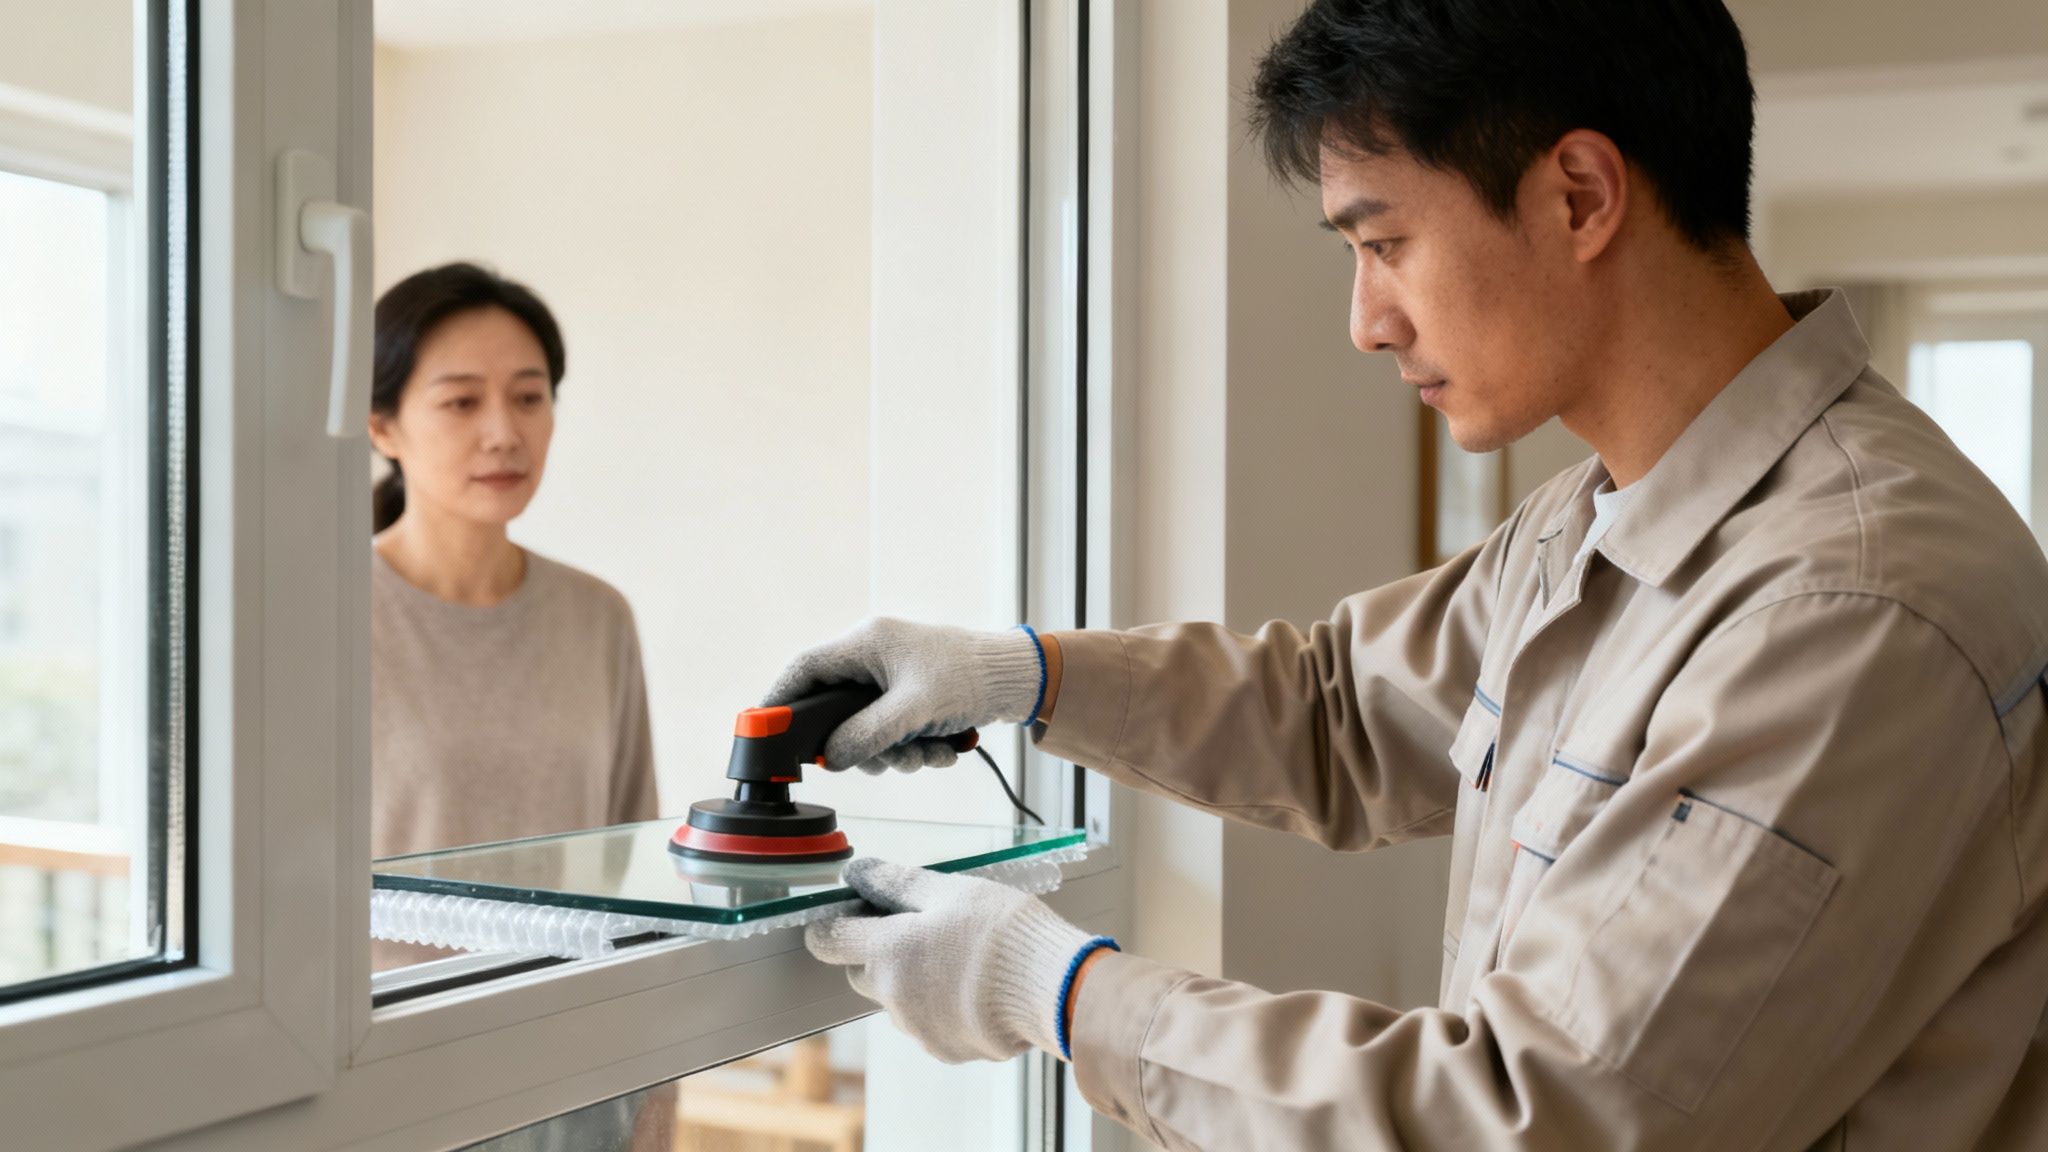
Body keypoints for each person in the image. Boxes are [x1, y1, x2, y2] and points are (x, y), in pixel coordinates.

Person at [771, 2, 2048, 1148]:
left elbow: (1539, 1121)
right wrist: (1017, 674)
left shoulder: (1847, 609)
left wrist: (1055, 993)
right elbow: (1338, 705)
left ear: (1580, 196)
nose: (1365, 320)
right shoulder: (1591, 515)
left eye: (1382, 242)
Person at [367, 262, 657, 863]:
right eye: (461, 402)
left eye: (528, 397)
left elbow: (629, 855)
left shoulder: (597, 616)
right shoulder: (320, 613)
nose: (502, 433)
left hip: (579, 962)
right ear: (382, 428)